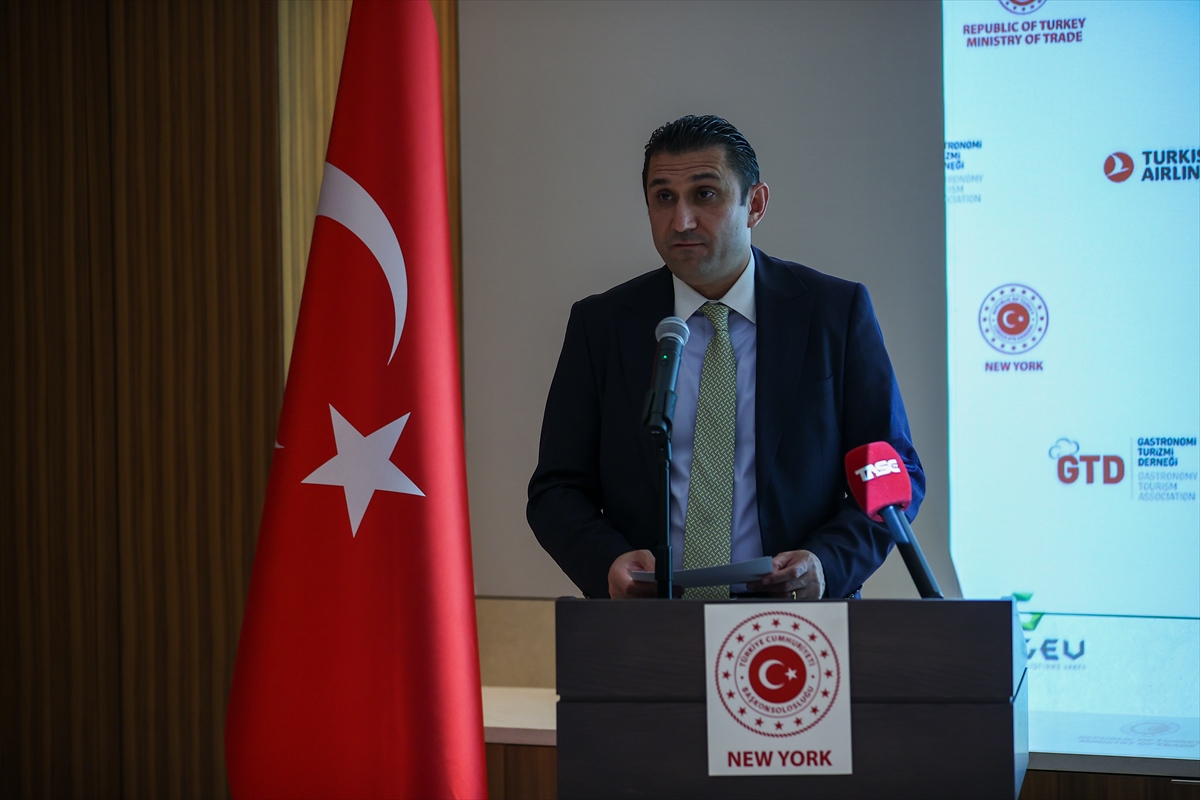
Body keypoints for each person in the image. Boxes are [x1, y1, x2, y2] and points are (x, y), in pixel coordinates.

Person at [527, 115, 923, 600]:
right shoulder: (603, 325)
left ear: (755, 204)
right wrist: (606, 562)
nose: (681, 221)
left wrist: (828, 563)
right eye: (664, 197)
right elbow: (557, 489)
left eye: (705, 194)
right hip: (647, 622)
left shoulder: (833, 313)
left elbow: (894, 473)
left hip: (795, 621)